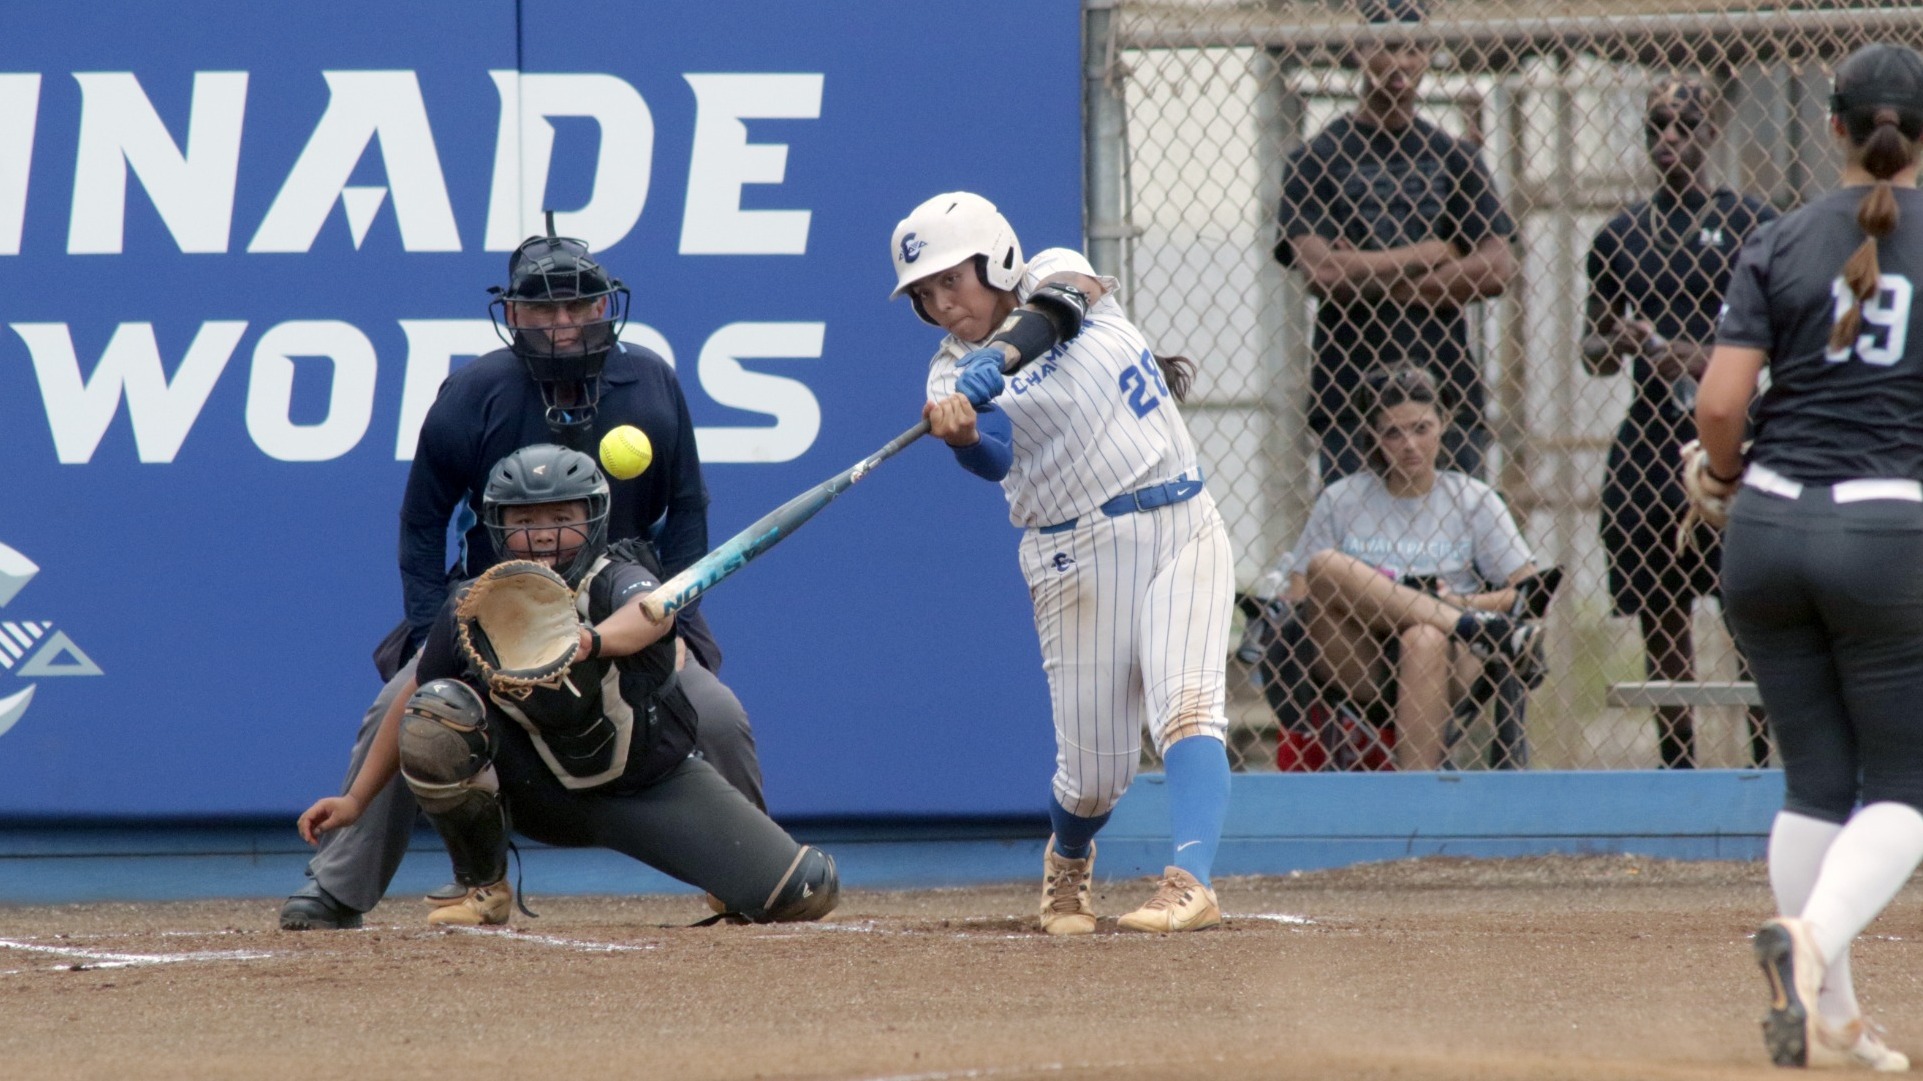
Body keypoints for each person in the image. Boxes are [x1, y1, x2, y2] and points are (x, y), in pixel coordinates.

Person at [279, 228, 765, 931]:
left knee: (718, 715)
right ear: (512, 314)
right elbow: (422, 522)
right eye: (542, 308)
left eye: (579, 305)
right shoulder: (473, 392)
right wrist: (430, 630)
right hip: (496, 612)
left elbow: (686, 510)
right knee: (404, 706)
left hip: (626, 609)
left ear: (605, 306)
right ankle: (338, 885)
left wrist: (681, 619)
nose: (563, 322)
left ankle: (746, 874)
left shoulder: (652, 381)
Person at [297, 444, 838, 927]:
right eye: (525, 519)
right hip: (536, 793)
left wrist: (591, 641)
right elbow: (414, 695)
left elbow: (652, 615)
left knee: (805, 890)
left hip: (647, 787)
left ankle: (728, 877)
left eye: (562, 517)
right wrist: (355, 799)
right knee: (437, 710)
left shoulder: (618, 576)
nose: (544, 534)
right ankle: (482, 885)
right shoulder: (471, 604)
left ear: (594, 519)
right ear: (497, 526)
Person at [888, 191, 1233, 934]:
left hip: (1184, 522)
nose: (942, 304)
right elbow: (997, 458)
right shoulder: (946, 378)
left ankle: (1191, 880)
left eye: (952, 279)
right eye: (925, 293)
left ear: (996, 260)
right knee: (1094, 777)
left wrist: (1000, 358)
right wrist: (963, 435)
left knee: (1187, 704)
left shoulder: (1054, 269)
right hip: (1075, 552)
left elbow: (1061, 304)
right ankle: (1069, 855)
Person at [1693, 42, 1923, 1071]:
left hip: (1767, 530)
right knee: (1906, 786)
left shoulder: (1778, 237)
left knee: (1818, 782)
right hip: (1884, 533)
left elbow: (1719, 405)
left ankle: (1833, 1017)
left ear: (1835, 127)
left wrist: (1724, 475)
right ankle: (1811, 941)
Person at [1583, 78, 1777, 769]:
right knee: (1661, 606)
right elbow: (1592, 349)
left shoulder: (1752, 225)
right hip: (1653, 434)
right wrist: (1620, 340)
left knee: (1748, 605)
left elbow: (1781, 336)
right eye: (1656, 125)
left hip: (1733, 430)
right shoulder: (1620, 237)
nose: (1667, 137)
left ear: (1709, 133)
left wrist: (1695, 358)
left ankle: (1761, 759)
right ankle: (1677, 764)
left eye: (1683, 125)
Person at [1272, 0, 1518, 485]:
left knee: (1455, 525)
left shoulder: (1455, 157)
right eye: (1387, 47)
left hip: (1445, 395)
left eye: (1413, 49)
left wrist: (1363, 275)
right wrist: (1433, 254)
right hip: (1351, 398)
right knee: (1355, 528)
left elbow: (1494, 270)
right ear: (1361, 51)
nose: (1401, 63)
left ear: (1427, 55)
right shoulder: (1317, 159)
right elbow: (1323, 272)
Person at [1267, 367, 1551, 770]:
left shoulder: (1473, 499)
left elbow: (1530, 594)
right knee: (1324, 565)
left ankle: (1415, 793)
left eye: (1421, 428)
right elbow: (1300, 596)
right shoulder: (1340, 500)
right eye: (1393, 434)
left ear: (1444, 423)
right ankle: (1464, 624)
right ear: (1373, 435)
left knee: (1423, 636)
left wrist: (1460, 602)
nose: (1410, 445)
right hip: (1360, 654)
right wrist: (1374, 600)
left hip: (1450, 654)